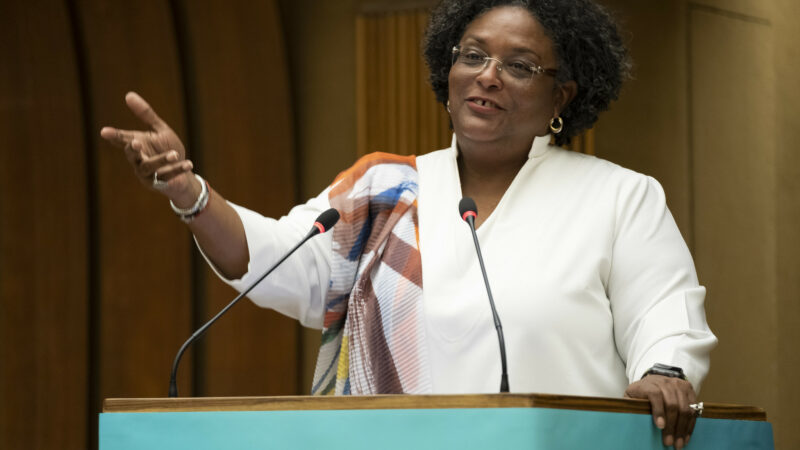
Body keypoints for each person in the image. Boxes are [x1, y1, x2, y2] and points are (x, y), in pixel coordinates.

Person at [101, 0, 717, 448]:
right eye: (472, 55)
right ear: (448, 74)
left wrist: (665, 371)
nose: (488, 74)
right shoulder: (384, 191)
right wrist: (190, 193)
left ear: (562, 98)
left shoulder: (618, 196)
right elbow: (274, 260)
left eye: (520, 65)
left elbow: (665, 311)